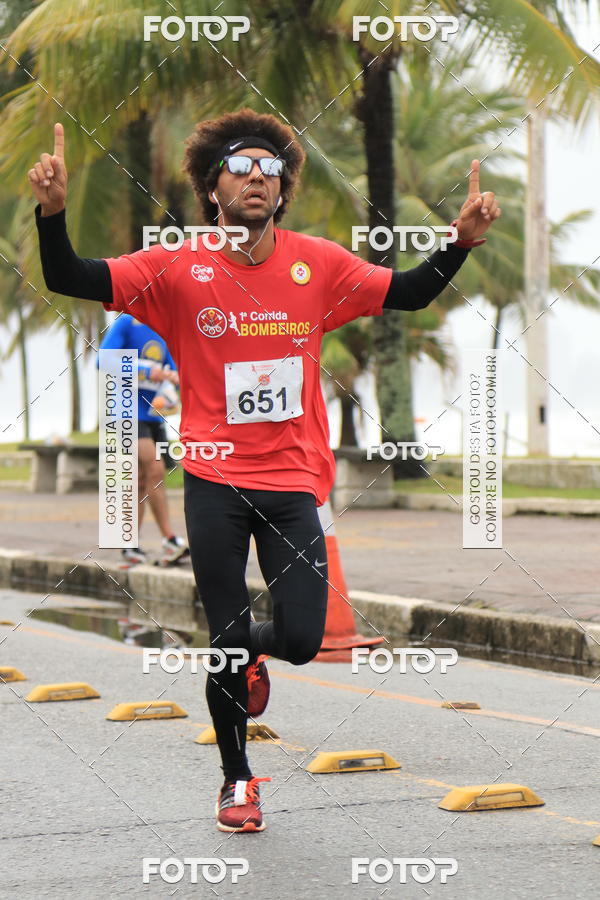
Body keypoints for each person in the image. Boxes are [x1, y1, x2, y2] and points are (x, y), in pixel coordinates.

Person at [30, 109, 500, 833]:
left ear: (282, 192)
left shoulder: (319, 264)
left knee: (306, 640)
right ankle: (237, 781)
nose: (257, 177)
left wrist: (460, 243)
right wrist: (52, 214)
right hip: (215, 482)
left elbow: (408, 291)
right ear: (213, 189)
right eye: (242, 168)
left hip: (291, 484)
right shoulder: (175, 267)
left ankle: (242, 650)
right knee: (226, 631)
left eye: (270, 170)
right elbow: (68, 275)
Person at [98, 313, 188, 567]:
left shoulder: (165, 324)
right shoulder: (126, 322)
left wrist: (175, 379)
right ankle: (169, 539)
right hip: (126, 411)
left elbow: (175, 368)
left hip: (153, 414)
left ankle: (130, 545)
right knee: (155, 468)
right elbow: (103, 360)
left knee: (141, 479)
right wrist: (146, 369)